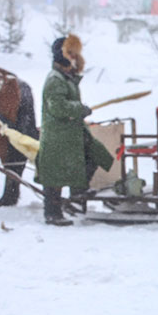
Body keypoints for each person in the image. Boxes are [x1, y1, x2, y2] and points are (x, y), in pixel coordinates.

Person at [35, 34, 114, 226]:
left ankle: (77, 197)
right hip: (58, 136)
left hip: (72, 132)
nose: (74, 57)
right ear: (61, 55)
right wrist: (80, 109)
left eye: (75, 54)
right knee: (55, 174)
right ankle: (52, 213)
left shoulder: (66, 76)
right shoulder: (55, 79)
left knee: (96, 153)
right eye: (71, 54)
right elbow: (58, 107)